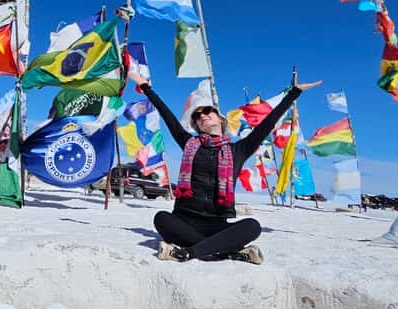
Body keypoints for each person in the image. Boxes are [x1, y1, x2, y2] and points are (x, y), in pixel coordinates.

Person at [129, 70, 321, 265]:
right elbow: (167, 116)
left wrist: (294, 93)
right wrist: (146, 88)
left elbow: (268, 123)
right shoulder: (189, 144)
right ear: (196, 126)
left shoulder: (238, 149)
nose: (202, 116)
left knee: (252, 227)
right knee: (161, 218)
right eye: (197, 116)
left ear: (220, 119)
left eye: (207, 111)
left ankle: (188, 252)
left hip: (216, 224)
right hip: (185, 220)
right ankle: (227, 252)